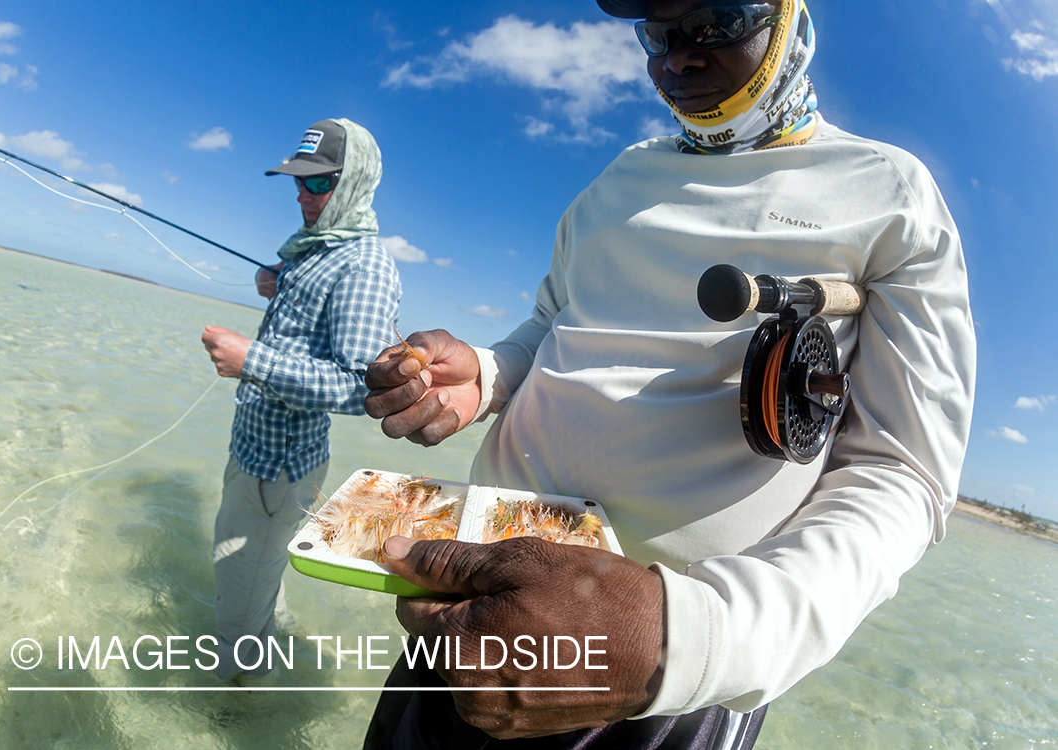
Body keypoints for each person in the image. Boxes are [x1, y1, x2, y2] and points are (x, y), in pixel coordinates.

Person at [359, 0, 975, 748]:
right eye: (659, 33)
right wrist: (486, 376)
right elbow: (552, 329)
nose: (678, 56)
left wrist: (693, 642)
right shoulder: (618, 179)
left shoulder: (890, 192)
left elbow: (902, 474)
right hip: (470, 593)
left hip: (663, 672)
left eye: (715, 21)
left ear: (789, 22)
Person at [201, 118, 401, 682]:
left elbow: (364, 385)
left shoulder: (362, 265)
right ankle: (265, 652)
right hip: (254, 456)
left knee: (238, 606)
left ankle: (232, 706)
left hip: (279, 471)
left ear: (356, 181)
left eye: (319, 184)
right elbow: (309, 329)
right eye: (298, 181)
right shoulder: (316, 250)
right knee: (258, 583)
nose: (301, 194)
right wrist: (280, 280)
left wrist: (251, 359)